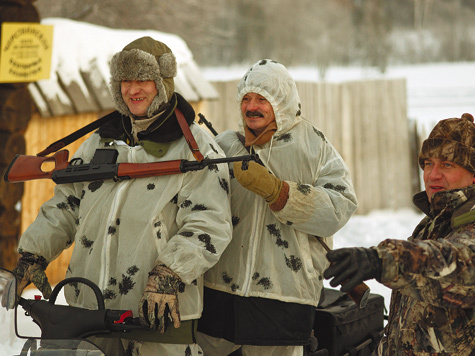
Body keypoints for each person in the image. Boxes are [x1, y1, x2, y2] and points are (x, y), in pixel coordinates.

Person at [11, 37, 233, 356]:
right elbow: (66, 206)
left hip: (159, 321)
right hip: (89, 317)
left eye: (143, 79)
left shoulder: (195, 147)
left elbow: (209, 224)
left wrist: (170, 272)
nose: (133, 90)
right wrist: (33, 255)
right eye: (125, 81)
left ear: (163, 83)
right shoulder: (98, 143)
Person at [196, 59, 358, 356]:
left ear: (281, 102)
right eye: (246, 98)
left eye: (262, 99)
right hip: (219, 295)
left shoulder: (314, 147)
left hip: (284, 297)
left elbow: (339, 207)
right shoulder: (224, 147)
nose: (251, 106)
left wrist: (279, 192)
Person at [324, 113, 475, 355]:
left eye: (447, 164)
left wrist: (382, 261)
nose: (433, 174)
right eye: (428, 164)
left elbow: (459, 264)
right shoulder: (432, 224)